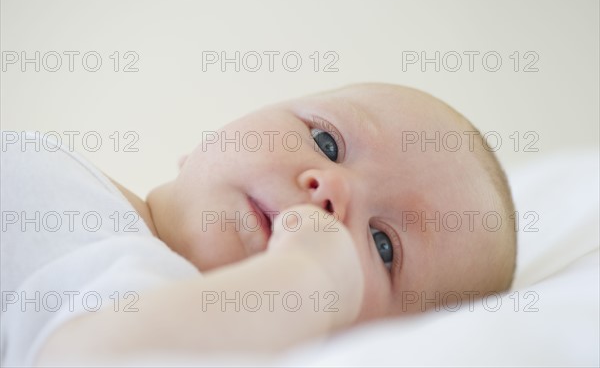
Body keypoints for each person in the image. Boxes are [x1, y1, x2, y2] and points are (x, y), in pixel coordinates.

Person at [0, 83, 516, 366]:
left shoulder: (147, 301)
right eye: (327, 142)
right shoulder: (72, 193)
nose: (333, 190)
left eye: (383, 246)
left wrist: (309, 276)